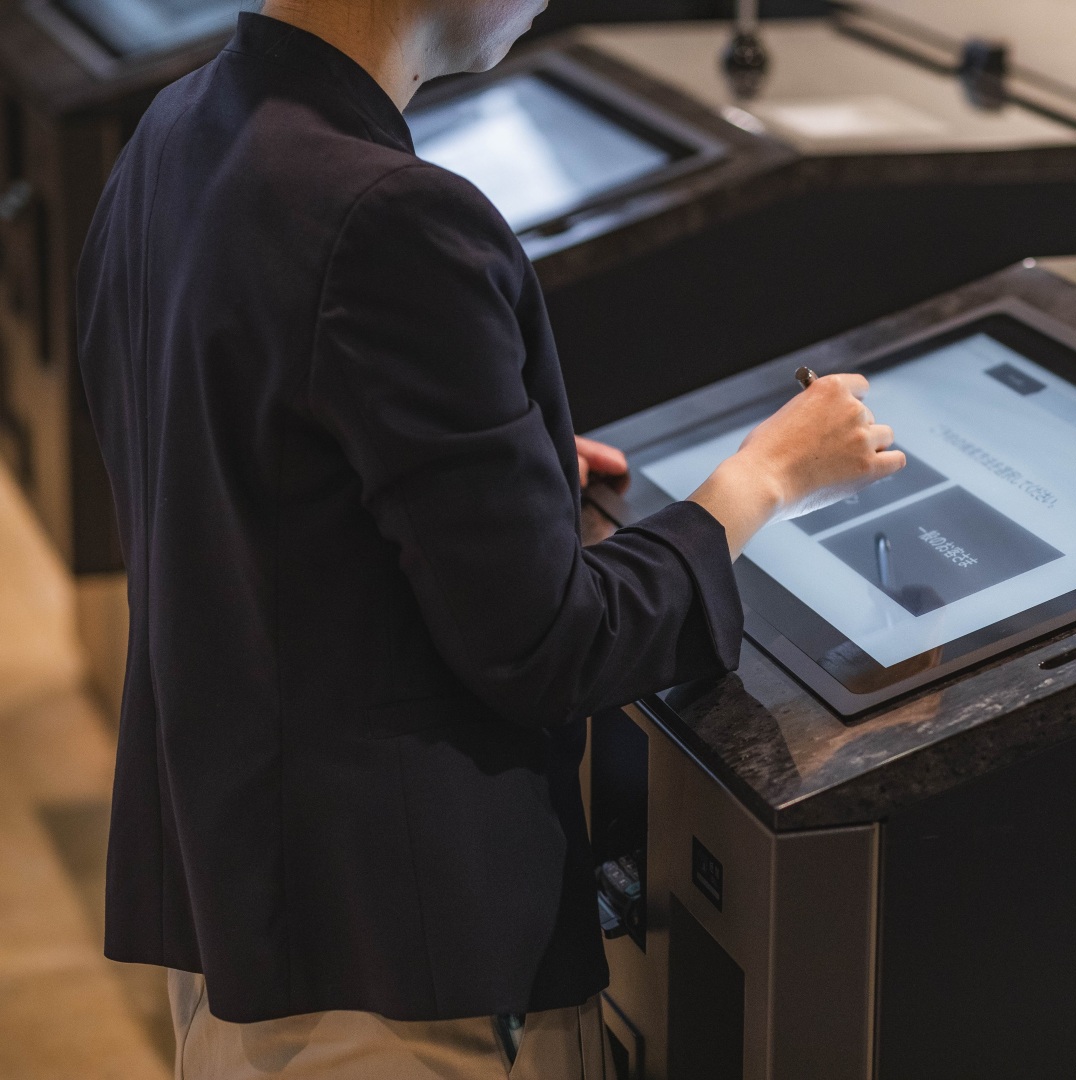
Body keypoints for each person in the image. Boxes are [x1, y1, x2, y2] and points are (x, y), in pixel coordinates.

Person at [75, 0, 904, 1075]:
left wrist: (486, 479)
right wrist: (766, 476)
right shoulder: (391, 217)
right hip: (397, 990)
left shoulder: (178, 126)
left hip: (250, 919)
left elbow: (240, 468)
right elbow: (554, 647)